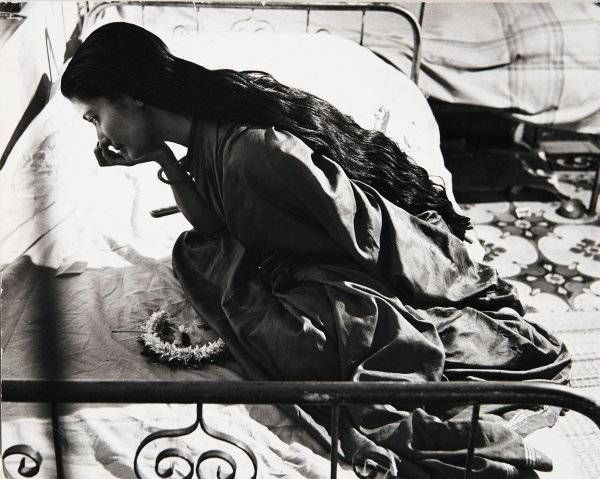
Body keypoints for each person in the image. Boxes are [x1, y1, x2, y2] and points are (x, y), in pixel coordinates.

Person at [62, 22, 570, 478]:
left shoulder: (252, 151)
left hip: (340, 266)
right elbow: (214, 228)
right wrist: (163, 160)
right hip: (294, 258)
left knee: (299, 339)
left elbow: (359, 229)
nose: (99, 134)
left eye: (94, 117)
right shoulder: (203, 137)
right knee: (197, 255)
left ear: (132, 98)